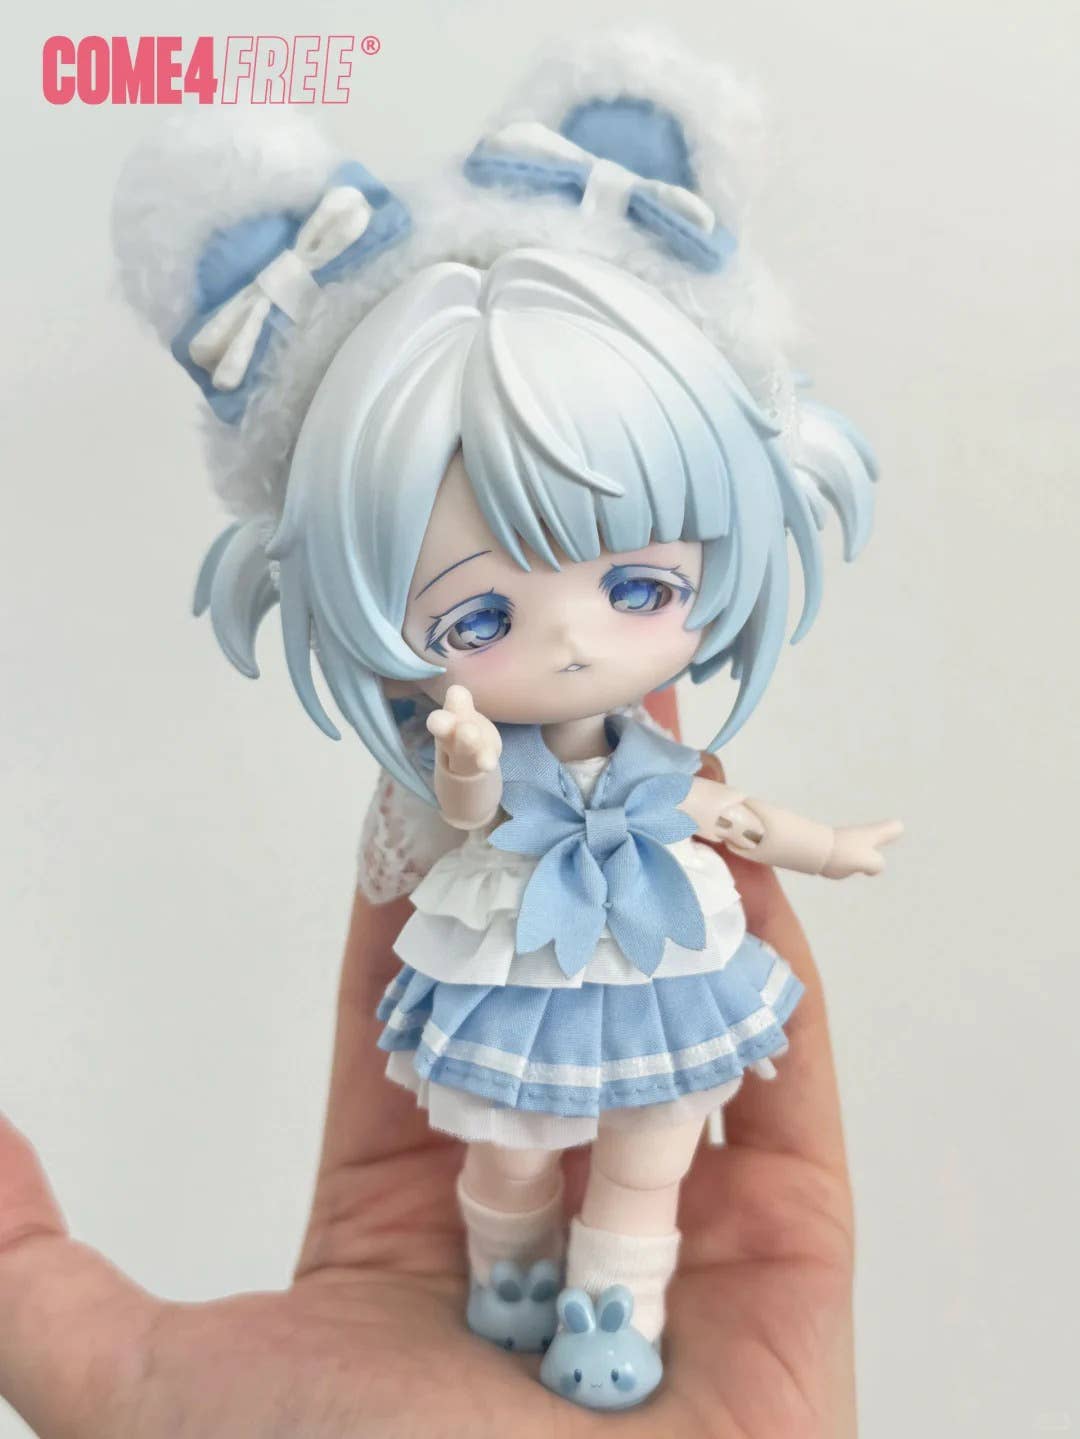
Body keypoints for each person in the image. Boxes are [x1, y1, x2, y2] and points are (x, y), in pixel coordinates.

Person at [0, 839, 858, 1436]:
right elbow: (460, 801)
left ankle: (621, 1311)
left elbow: (733, 817)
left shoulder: (653, 765)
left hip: (651, 963)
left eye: (635, 615)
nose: (571, 647)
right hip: (522, 968)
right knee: (510, 1141)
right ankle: (510, 1273)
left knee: (650, 1156)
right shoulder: (497, 752)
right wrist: (465, 762)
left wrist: (823, 846)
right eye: (476, 633)